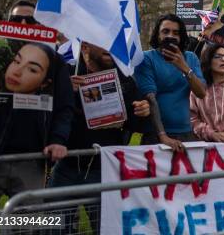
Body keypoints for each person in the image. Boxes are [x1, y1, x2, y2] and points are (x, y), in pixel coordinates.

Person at [47, 42, 151, 233]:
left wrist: (143, 112)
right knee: (53, 227)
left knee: (107, 228)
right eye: (102, 42)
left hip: (104, 171)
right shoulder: (66, 72)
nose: (110, 47)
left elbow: (137, 125)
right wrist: (63, 91)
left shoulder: (125, 78)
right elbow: (46, 114)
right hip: (66, 168)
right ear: (85, 47)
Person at [0, 1, 74, 208]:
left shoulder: (56, 62)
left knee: (28, 224)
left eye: (31, 19)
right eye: (18, 20)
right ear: (7, 24)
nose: (24, 23)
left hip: (31, 161)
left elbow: (65, 107)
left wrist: (57, 139)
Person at [134, 14, 206, 151]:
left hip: (186, 133)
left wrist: (184, 67)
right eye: (165, 31)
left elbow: (201, 93)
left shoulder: (190, 58)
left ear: (181, 37)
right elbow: (150, 99)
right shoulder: (146, 59)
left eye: (176, 33)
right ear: (157, 35)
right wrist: (163, 136)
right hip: (156, 136)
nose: (170, 36)